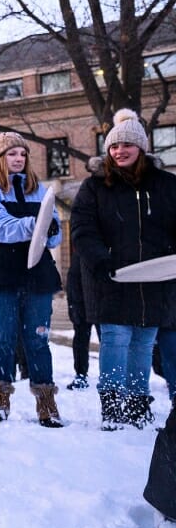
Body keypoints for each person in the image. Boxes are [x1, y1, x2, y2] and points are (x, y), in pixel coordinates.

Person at [70, 109, 176, 431]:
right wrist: (101, 259)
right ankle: (113, 403)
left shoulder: (166, 185)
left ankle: (137, 401)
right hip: (111, 278)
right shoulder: (95, 187)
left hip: (154, 279)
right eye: (114, 147)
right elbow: (82, 229)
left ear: (141, 148)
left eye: (127, 145)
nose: (120, 151)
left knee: (143, 343)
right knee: (116, 339)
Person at [0, 132, 64, 428]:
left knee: (37, 340)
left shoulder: (40, 191)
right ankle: (0, 397)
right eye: (12, 154)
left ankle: (46, 401)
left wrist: (50, 230)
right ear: (0, 159)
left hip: (37, 277)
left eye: (23, 154)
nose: (18, 159)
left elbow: (55, 233)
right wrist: (36, 225)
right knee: (2, 339)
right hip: (0, 275)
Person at [65, 245, 94, 390]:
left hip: (101, 304)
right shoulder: (79, 256)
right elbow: (72, 282)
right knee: (81, 340)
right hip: (82, 304)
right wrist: (74, 305)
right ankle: (81, 374)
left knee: (111, 341)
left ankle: (115, 377)